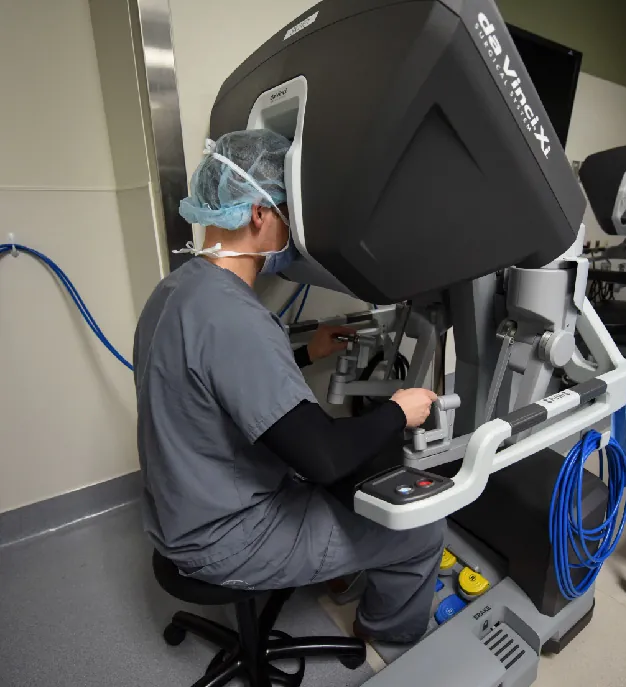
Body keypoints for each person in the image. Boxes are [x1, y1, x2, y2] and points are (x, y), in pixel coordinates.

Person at [133, 129, 445, 644]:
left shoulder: (175, 289)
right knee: (420, 530)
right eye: (286, 212)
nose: (294, 231)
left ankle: (340, 561)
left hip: (181, 510)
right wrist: (397, 410)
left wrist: (306, 352)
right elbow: (320, 456)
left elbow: (209, 382)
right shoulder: (237, 318)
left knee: (343, 484)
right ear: (258, 214)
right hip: (225, 539)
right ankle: (388, 636)